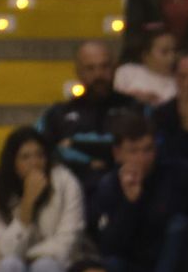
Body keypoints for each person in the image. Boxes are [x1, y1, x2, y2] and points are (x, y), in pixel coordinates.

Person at [88, 113, 188, 272]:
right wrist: (130, 203)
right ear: (117, 153)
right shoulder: (108, 186)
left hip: (173, 268)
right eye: (133, 151)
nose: (142, 159)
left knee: (180, 226)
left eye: (148, 150)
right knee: (112, 266)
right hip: (133, 269)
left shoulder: (176, 176)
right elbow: (109, 247)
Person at [0, 126, 84, 272]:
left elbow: (68, 241)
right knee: (9, 266)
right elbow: (5, 250)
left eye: (39, 155)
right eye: (25, 157)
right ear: (13, 162)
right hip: (17, 264)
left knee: (44, 267)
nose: (34, 163)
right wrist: (27, 205)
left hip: (59, 264)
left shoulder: (66, 182)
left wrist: (30, 258)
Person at [38, 41, 141, 190]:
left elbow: (139, 152)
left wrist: (73, 144)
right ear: (78, 72)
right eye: (90, 68)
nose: (99, 74)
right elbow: (42, 154)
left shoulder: (135, 108)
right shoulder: (58, 114)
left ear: (114, 68)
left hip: (124, 192)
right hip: (72, 191)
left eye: (104, 67)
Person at [114, 28, 179, 108]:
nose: (172, 57)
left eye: (174, 51)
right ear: (146, 55)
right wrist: (134, 98)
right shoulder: (126, 72)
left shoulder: (178, 82)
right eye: (164, 52)